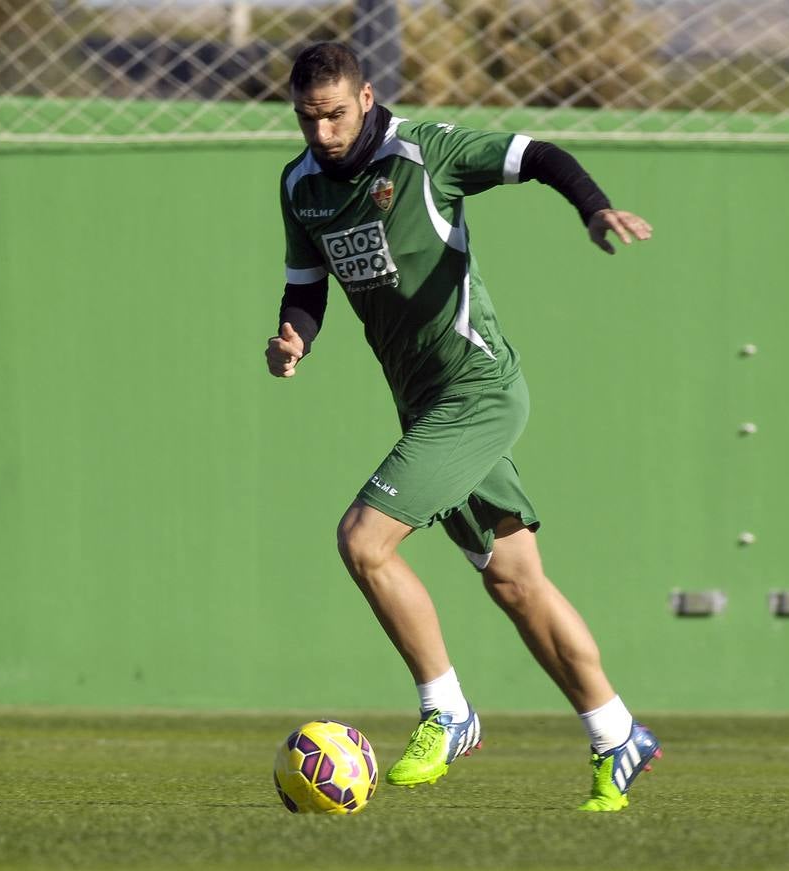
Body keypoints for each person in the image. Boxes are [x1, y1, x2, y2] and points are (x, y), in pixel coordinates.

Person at [265, 42, 660, 812]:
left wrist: (593, 205)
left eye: (336, 115)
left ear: (368, 97)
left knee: (363, 542)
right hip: (423, 402)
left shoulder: (426, 152)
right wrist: (293, 338)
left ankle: (447, 712)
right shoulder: (299, 185)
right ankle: (618, 735)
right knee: (516, 582)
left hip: (474, 390)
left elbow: (538, 153)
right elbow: (304, 286)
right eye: (308, 119)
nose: (323, 134)